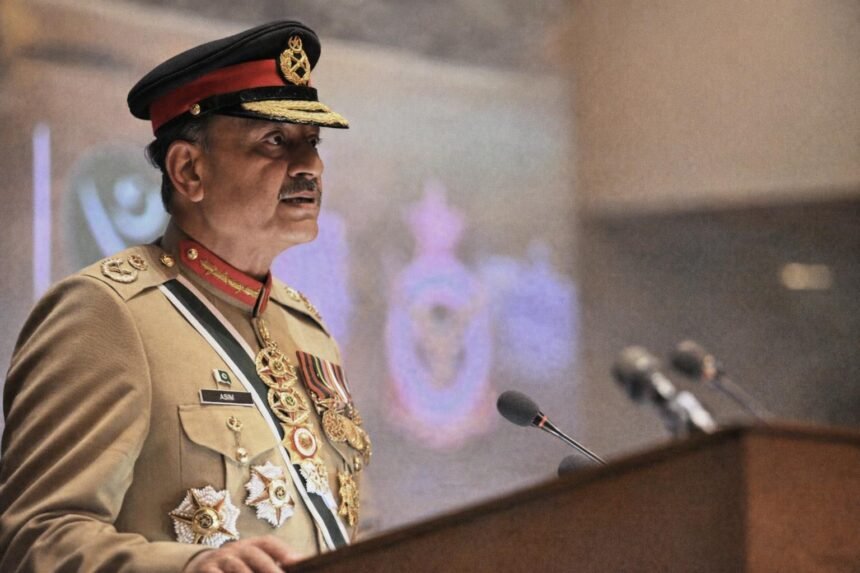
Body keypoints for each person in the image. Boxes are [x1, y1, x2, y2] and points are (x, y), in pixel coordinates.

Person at [0, 21, 370, 572]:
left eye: (311, 142)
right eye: (275, 141)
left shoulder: (305, 327)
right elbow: (36, 540)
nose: (309, 166)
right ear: (189, 169)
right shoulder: (106, 312)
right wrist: (190, 567)